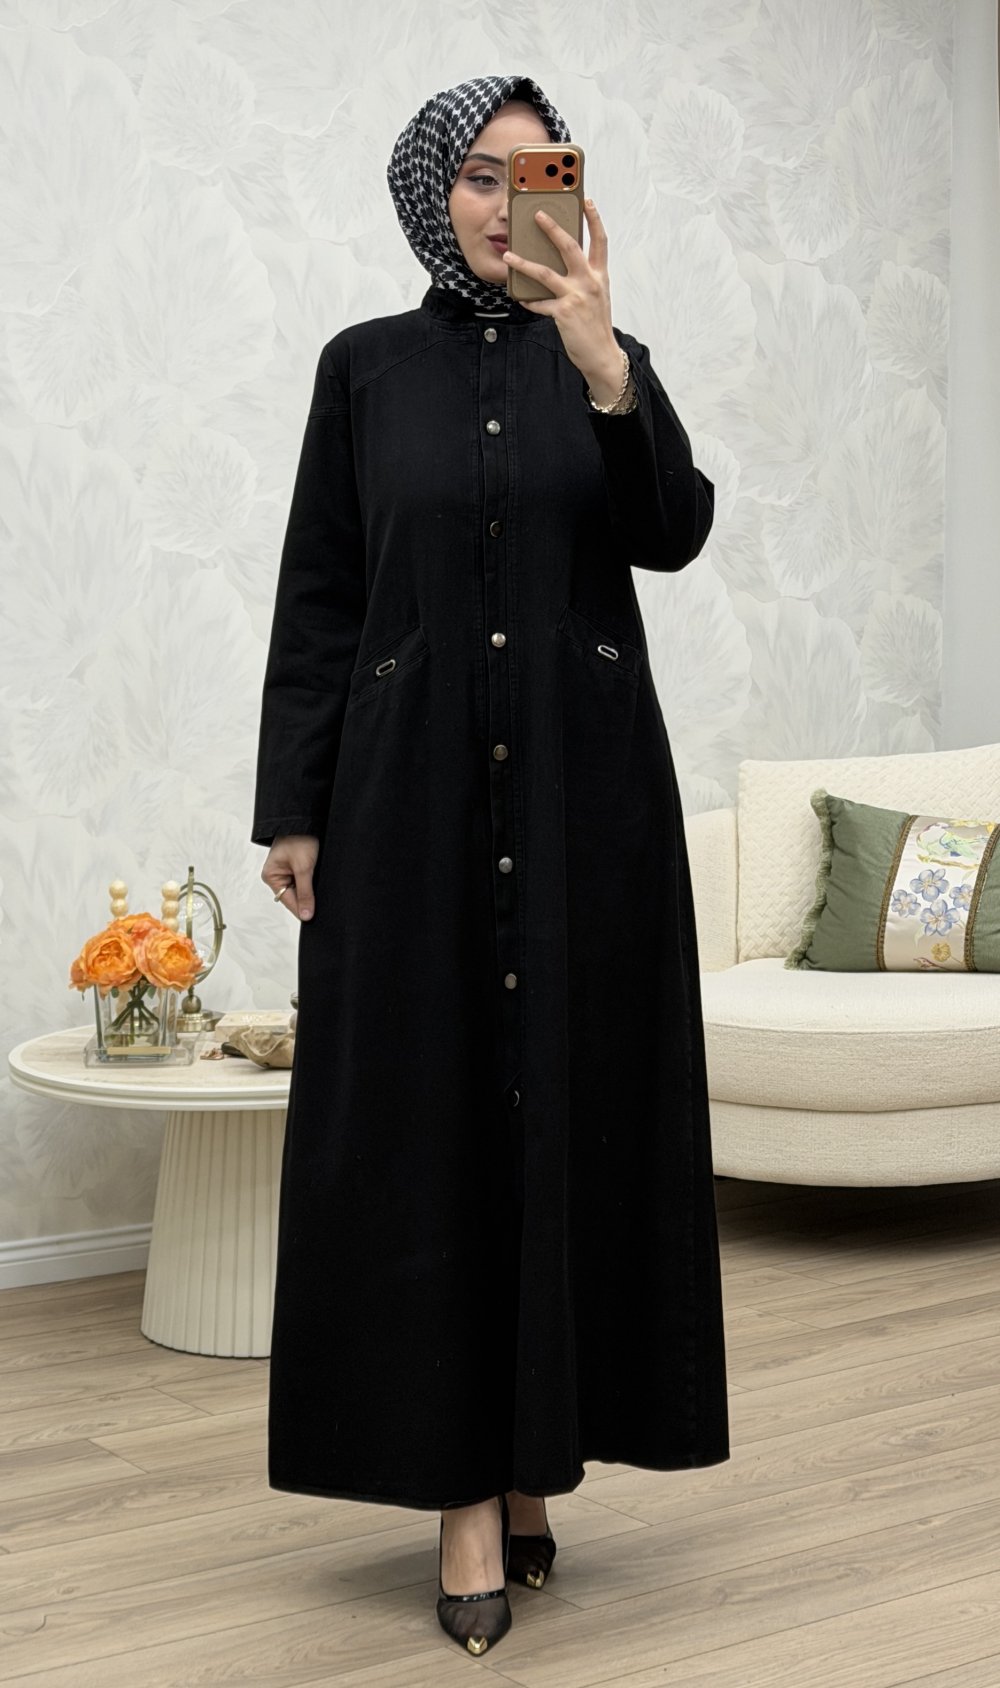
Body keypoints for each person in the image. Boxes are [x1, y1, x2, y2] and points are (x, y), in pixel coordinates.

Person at [251, 74, 729, 1657]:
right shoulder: (362, 370)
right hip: (407, 801)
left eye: (540, 171)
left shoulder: (604, 356)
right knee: (428, 1128)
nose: (507, 199)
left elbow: (673, 531)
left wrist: (605, 368)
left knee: (566, 1123)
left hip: (589, 796)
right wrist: (295, 806)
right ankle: (466, 1494)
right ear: (427, 193)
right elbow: (322, 594)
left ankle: (534, 1464)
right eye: (477, 172)